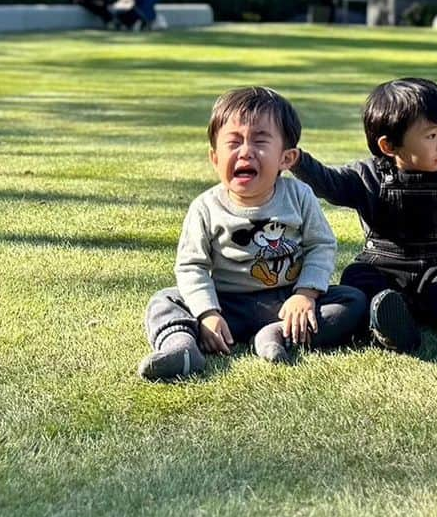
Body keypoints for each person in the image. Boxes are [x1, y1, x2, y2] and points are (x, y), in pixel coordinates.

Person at [138, 86, 367, 381]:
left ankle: (276, 336)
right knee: (165, 301)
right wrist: (207, 313)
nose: (245, 151)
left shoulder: (299, 195)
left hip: (286, 302)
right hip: (226, 305)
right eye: (233, 143)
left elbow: (320, 245)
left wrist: (306, 294)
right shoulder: (205, 207)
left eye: (260, 141)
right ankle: (181, 349)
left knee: (352, 299)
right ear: (215, 157)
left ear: (287, 158)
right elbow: (192, 265)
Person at [291, 77, 437, 369]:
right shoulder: (367, 176)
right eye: (431, 136)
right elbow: (330, 184)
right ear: (389, 145)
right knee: (358, 279)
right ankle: (390, 323)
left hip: (436, 268)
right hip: (382, 265)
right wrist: (300, 162)